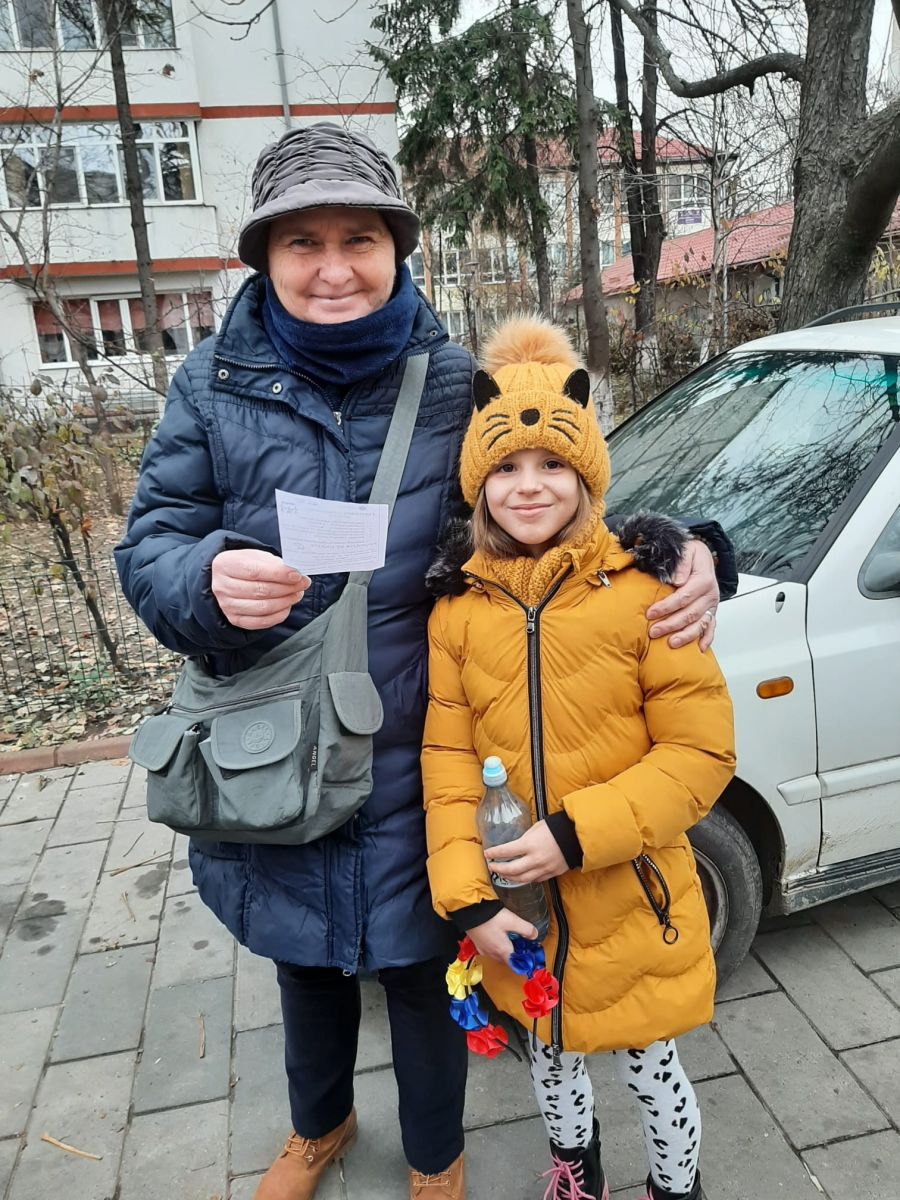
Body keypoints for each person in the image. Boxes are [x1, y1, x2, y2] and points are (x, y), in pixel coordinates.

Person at [115, 124, 728, 1200]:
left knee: (424, 966)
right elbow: (151, 542)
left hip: (423, 745)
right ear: (263, 256)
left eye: (359, 238)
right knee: (303, 966)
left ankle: (436, 1160)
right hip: (278, 747)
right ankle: (319, 1128)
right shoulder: (210, 384)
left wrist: (694, 549)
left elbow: (550, 498)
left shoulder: (452, 385)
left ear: (397, 247)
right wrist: (202, 580)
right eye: (302, 242)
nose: (333, 268)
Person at [421, 316, 736, 1200]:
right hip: (521, 909)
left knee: (653, 1070)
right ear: (478, 485)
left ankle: (675, 1189)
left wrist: (575, 833)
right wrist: (469, 899)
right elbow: (446, 763)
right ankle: (577, 1178)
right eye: (506, 468)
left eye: (552, 464)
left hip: (630, 897)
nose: (529, 486)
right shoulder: (457, 613)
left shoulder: (648, 593)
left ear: (587, 473)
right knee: (551, 1060)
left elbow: (699, 752)